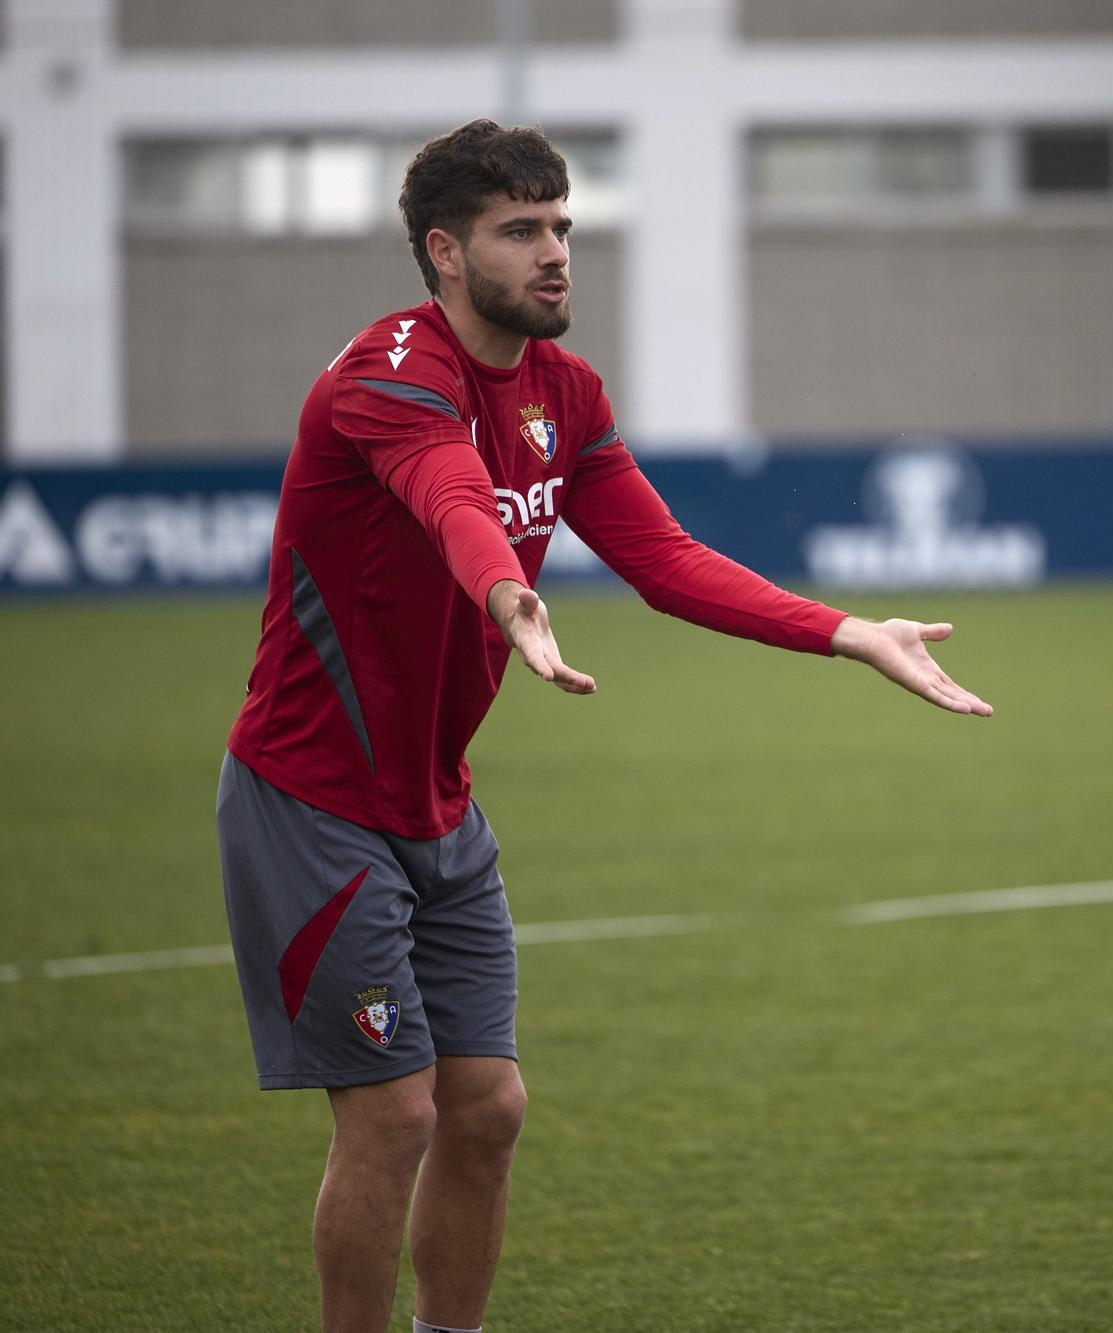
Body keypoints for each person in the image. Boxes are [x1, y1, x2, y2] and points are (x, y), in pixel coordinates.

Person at [216, 119, 990, 1333]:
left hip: (438, 803)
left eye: (562, 225)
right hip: (311, 804)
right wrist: (507, 591)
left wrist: (847, 632)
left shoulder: (564, 393)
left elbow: (667, 558)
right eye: (520, 230)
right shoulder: (386, 375)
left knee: (488, 1108)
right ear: (445, 251)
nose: (557, 251)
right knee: (397, 1113)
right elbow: (449, 490)